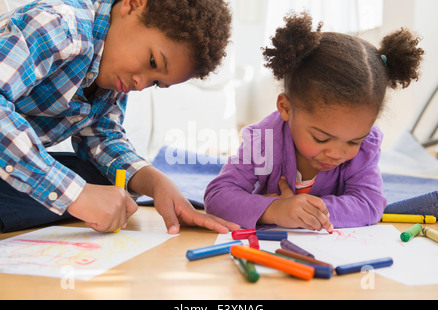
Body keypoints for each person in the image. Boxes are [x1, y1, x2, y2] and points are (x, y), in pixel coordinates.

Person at [0, 0, 240, 234]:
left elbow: (102, 137)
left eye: (156, 83)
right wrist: (77, 195)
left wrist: (157, 184)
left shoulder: (113, 76)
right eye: (153, 61)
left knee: (109, 183)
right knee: (81, 188)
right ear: (133, 4)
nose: (141, 83)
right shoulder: (60, 25)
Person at [205, 12, 424, 232]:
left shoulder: (367, 145)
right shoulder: (264, 141)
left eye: (353, 142)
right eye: (321, 138)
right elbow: (218, 196)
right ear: (285, 108)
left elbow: (369, 203)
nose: (338, 153)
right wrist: (275, 210)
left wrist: (307, 211)